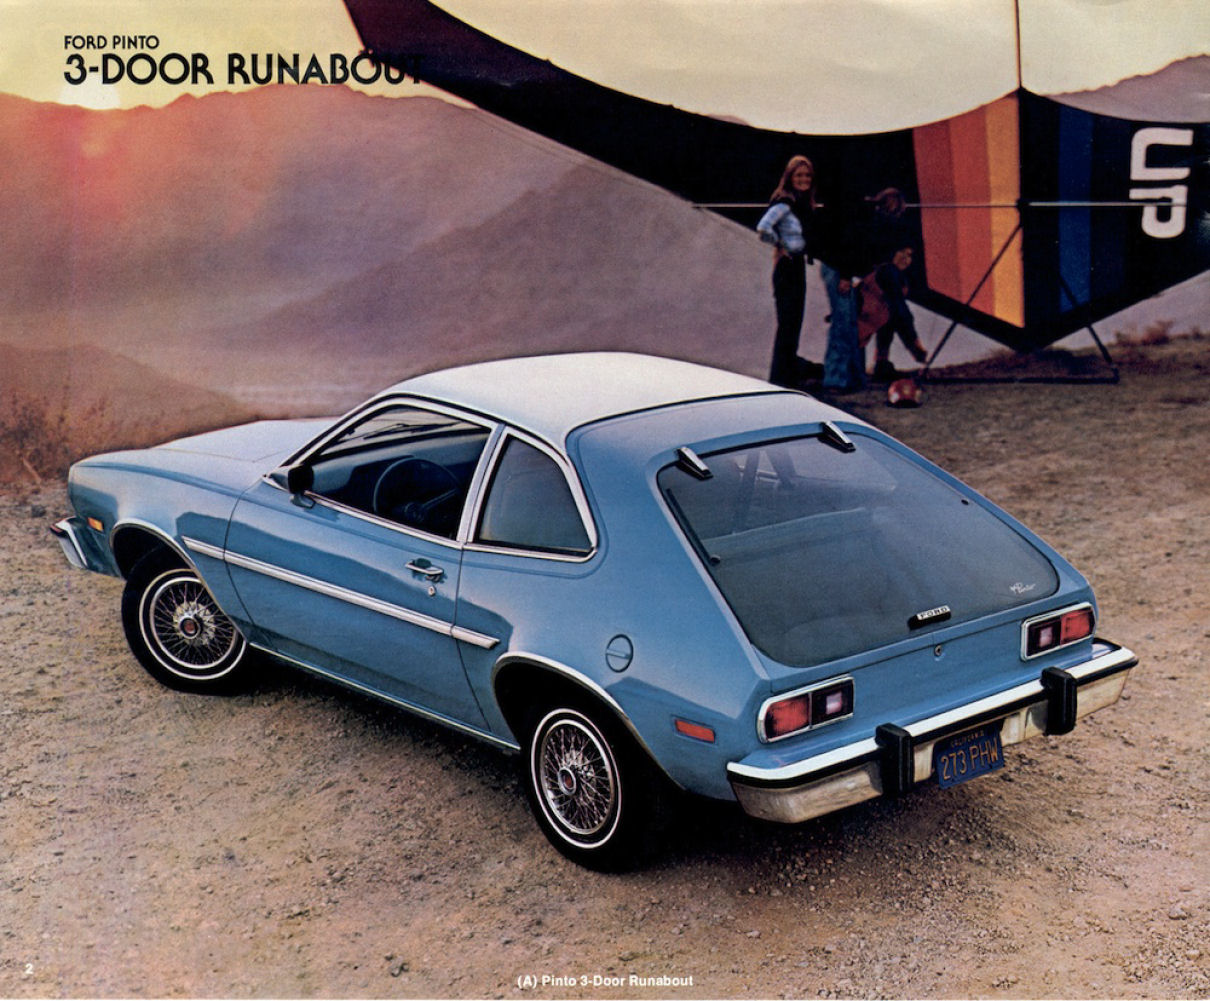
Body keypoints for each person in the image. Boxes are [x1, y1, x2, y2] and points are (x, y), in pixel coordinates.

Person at [755, 156, 823, 387]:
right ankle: (780, 378)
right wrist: (779, 244)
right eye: (799, 175)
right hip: (787, 267)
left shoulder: (802, 204)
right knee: (787, 324)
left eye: (807, 175)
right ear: (790, 177)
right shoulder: (784, 203)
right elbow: (763, 227)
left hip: (798, 265)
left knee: (794, 324)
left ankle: (787, 375)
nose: (804, 179)